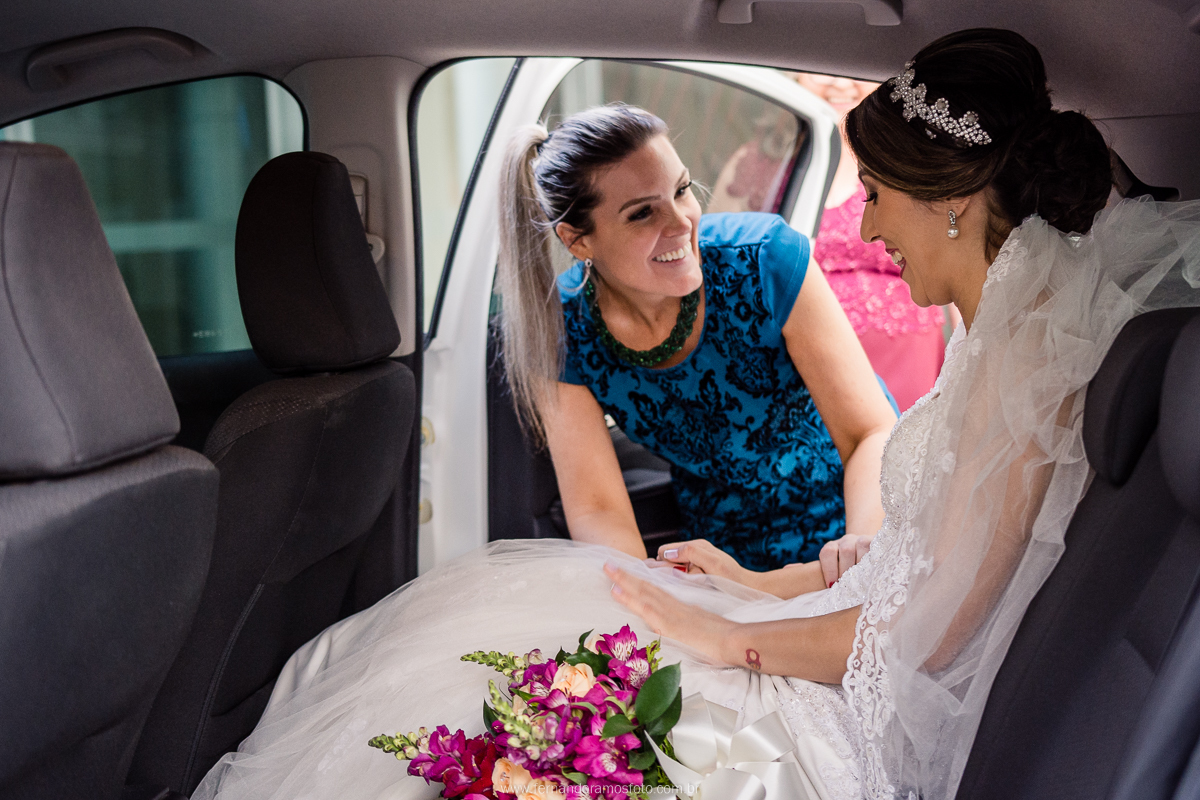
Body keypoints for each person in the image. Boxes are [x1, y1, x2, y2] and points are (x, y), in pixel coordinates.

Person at [193, 28, 1200, 800]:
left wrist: (741, 630)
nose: (865, 222)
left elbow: (923, 611)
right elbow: (917, 580)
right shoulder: (993, 343)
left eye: (878, 192)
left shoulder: (996, 351)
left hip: (852, 624)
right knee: (503, 643)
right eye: (641, 211)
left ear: (952, 200)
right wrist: (750, 589)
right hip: (807, 590)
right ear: (578, 243)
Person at [498, 105, 897, 571]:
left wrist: (864, 554)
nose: (682, 222)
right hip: (717, 560)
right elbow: (597, 507)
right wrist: (646, 593)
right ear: (578, 241)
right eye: (643, 212)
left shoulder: (764, 260)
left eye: (681, 190)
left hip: (855, 521)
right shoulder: (563, 329)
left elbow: (870, 432)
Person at [794, 72, 952, 414]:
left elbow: (955, 252)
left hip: (903, 352)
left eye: (850, 73)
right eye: (820, 71)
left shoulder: (909, 165)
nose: (837, 84)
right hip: (801, 354)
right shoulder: (763, 164)